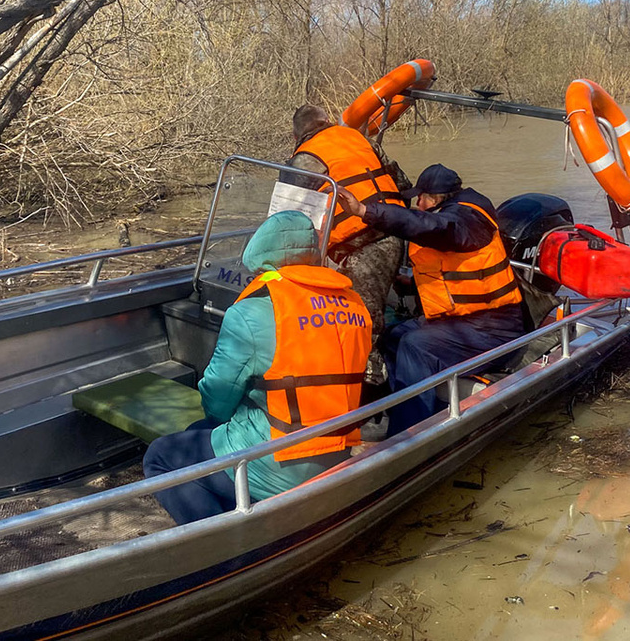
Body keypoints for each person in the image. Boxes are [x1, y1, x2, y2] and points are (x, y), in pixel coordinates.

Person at [142, 211, 372, 524]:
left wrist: (223, 419)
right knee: (200, 433)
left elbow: (217, 399)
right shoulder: (355, 305)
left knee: (161, 455)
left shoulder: (250, 313)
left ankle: (222, 547)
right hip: (337, 449)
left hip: (278, 461)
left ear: (259, 255)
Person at [337, 164, 526, 434]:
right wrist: (412, 283)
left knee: (417, 346)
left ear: (436, 199)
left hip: (494, 328)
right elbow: (456, 271)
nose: (417, 203)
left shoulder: (464, 220)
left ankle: (409, 433)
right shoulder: (454, 217)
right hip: (463, 320)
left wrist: (365, 212)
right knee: (392, 337)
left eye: (421, 197)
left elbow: (429, 227)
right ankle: (388, 412)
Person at [285, 104, 407, 390]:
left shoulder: (305, 157)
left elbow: (285, 216)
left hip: (362, 247)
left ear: (296, 135)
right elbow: (400, 182)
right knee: (368, 316)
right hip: (395, 231)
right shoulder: (359, 139)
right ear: (326, 121)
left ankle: (372, 398)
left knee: (363, 325)